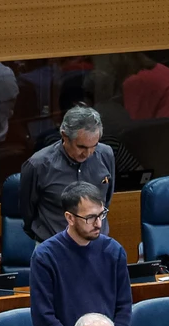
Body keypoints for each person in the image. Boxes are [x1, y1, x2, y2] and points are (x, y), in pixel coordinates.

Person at [29, 182, 132, 326]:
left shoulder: (114, 251)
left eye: (101, 214)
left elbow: (124, 308)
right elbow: (44, 317)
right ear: (70, 218)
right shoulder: (46, 256)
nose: (98, 223)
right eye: (90, 217)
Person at [17, 105, 116, 244]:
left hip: (97, 245)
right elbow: (28, 212)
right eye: (81, 147)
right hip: (54, 248)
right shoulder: (38, 165)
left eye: (94, 146)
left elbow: (106, 199)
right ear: (64, 136)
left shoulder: (106, 154)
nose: (88, 154)